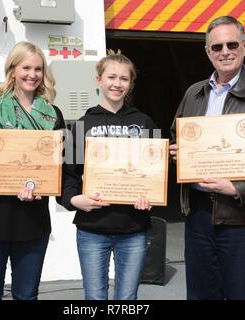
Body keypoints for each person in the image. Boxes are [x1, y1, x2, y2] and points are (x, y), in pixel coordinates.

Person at [169, 16, 245, 299]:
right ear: (208, 52)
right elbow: (177, 136)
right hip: (199, 215)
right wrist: (178, 153)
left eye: (231, 44)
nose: (225, 51)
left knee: (243, 294)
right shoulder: (194, 93)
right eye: (216, 47)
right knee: (200, 294)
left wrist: (238, 187)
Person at [0, 41, 65, 300]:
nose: (32, 74)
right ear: (13, 70)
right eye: (26, 67)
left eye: (38, 69)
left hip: (32, 222)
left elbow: (60, 162)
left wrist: (52, 175)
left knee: (27, 296)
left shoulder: (53, 115)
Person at [57, 50, 157, 300]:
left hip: (134, 227)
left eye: (124, 79)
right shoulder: (81, 124)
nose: (117, 84)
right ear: (99, 80)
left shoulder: (145, 123)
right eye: (111, 77)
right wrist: (73, 200)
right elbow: (67, 175)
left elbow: (158, 171)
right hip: (92, 228)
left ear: (131, 84)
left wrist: (152, 196)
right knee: (95, 298)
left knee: (127, 299)